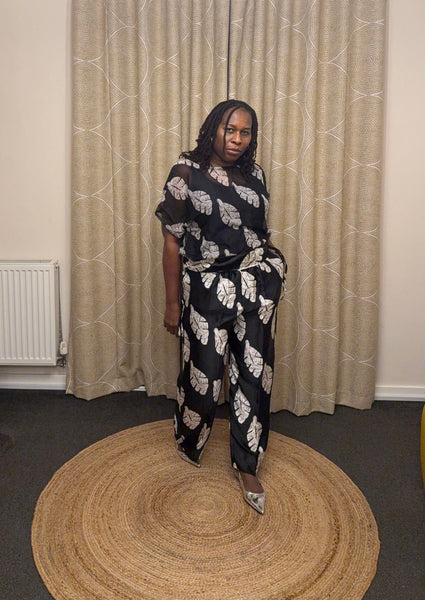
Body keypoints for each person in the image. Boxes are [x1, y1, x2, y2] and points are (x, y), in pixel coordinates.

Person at [155, 99, 286, 515]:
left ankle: (247, 465)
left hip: (254, 285)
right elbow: (172, 241)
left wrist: (268, 271)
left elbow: (257, 231)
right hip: (207, 288)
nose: (237, 139)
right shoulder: (185, 173)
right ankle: (189, 436)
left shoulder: (255, 173)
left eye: (245, 132)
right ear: (213, 129)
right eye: (230, 130)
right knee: (205, 373)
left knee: (253, 374)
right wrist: (172, 303)